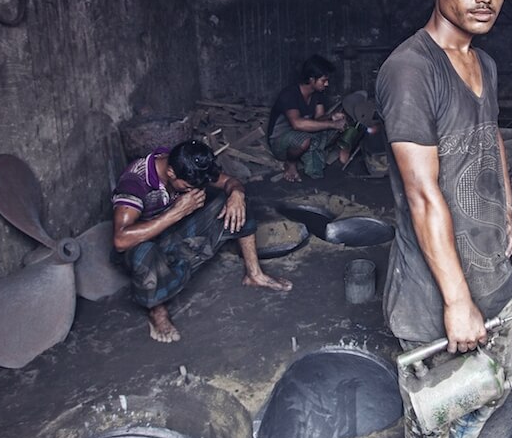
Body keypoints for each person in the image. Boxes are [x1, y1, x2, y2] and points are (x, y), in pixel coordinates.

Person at [376, 0, 512, 438]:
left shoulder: (483, 64)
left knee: (488, 386)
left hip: (490, 258)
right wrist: (456, 301)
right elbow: (422, 193)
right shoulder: (410, 71)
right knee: (436, 404)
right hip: (437, 281)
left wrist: (508, 209)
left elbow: (490, 139)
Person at [111, 139, 292, 343]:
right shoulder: (135, 181)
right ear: (171, 173)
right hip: (147, 246)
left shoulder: (189, 163)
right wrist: (175, 213)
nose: (192, 190)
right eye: (188, 187)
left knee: (235, 203)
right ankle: (156, 310)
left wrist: (237, 193)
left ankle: (254, 274)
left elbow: (228, 182)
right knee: (142, 252)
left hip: (175, 233)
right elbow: (120, 240)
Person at [267, 54, 349, 182]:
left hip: (302, 133)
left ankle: (313, 151)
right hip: (280, 141)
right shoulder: (289, 94)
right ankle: (291, 163)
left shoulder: (317, 94)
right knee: (304, 140)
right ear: (311, 79)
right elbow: (297, 124)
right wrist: (332, 124)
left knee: (338, 129)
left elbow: (319, 119)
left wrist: (332, 117)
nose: (326, 84)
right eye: (323, 80)